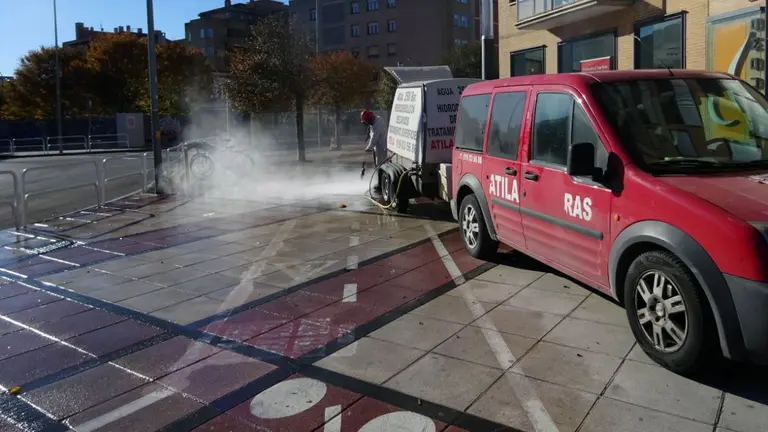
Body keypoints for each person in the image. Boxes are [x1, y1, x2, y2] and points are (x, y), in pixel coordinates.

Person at [361, 109, 387, 193]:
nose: (367, 123)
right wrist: (367, 135)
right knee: (378, 166)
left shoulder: (377, 124)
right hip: (378, 147)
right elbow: (371, 132)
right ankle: (380, 182)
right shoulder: (376, 121)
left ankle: (381, 185)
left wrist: (369, 147)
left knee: (380, 166)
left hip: (382, 147)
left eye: (367, 121)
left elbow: (374, 137)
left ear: (370, 118)